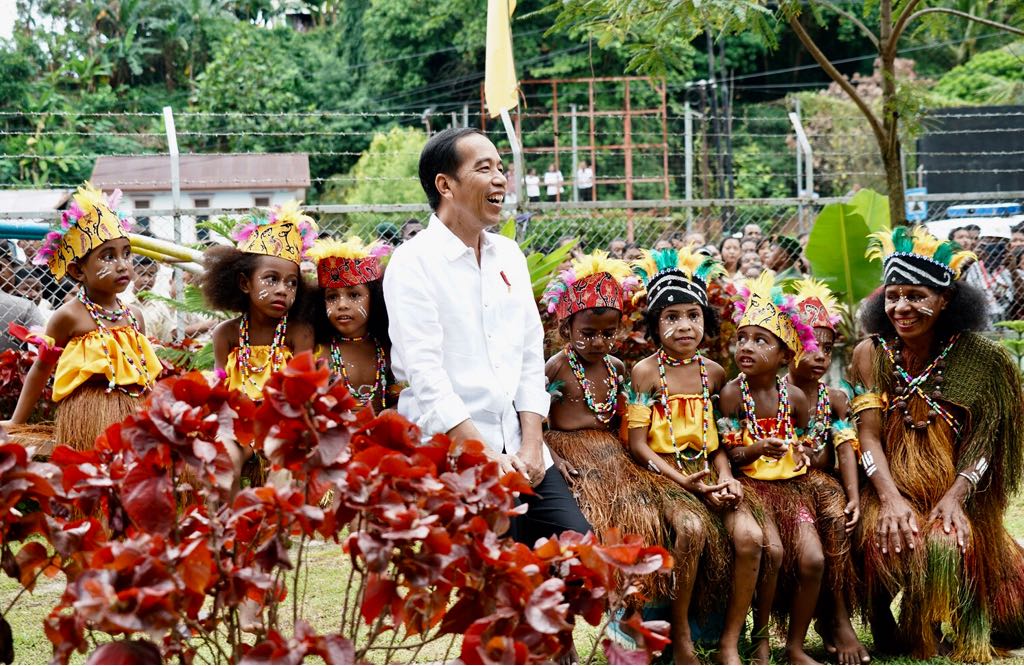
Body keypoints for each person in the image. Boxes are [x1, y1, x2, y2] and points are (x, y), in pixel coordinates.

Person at [384, 127, 591, 551]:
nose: (500, 179)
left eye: (501, 168)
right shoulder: (413, 262)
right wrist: (484, 455)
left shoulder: (508, 256)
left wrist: (532, 445)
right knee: (496, 576)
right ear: (446, 185)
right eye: (484, 168)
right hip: (453, 448)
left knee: (578, 554)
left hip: (520, 447)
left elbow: (531, 355)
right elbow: (425, 374)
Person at [851, 225, 1024, 661]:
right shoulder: (871, 354)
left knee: (949, 548)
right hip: (893, 487)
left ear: (946, 300)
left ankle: (939, 622)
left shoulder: (986, 361)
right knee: (883, 536)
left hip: (958, 494)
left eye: (916, 295)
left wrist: (955, 499)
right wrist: (889, 499)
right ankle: (882, 621)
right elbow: (867, 433)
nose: (901, 307)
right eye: (893, 295)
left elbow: (988, 443)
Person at [630, 247, 764, 664]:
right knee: (690, 529)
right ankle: (682, 631)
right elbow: (638, 444)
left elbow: (720, 442)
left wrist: (725, 477)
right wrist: (683, 481)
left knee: (752, 537)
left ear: (705, 321)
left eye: (693, 315)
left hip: (709, 470)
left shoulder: (716, 372)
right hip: (664, 475)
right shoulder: (646, 372)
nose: (684, 325)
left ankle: (729, 639)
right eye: (671, 318)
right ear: (655, 326)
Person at [720, 271, 850, 665]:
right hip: (753, 492)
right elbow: (729, 453)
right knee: (772, 552)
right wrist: (758, 447)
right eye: (742, 338)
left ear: (784, 356)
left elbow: (808, 440)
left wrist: (806, 450)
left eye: (761, 340)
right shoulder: (730, 394)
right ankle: (758, 641)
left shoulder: (793, 397)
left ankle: (794, 646)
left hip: (792, 490)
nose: (747, 347)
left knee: (814, 561)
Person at [4, 184, 161, 455]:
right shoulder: (68, 317)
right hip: (87, 422)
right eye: (108, 257)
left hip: (133, 419)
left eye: (126, 253)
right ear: (78, 271)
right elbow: (41, 369)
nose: (122, 264)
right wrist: (17, 421)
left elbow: (144, 374)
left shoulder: (134, 316)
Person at [787, 278, 869, 666]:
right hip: (779, 485)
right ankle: (823, 620)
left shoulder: (835, 398)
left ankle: (837, 618)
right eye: (811, 345)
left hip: (823, 483)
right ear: (789, 345)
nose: (820, 355)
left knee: (838, 519)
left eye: (828, 347)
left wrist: (853, 494)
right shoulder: (769, 392)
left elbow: (845, 448)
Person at [201, 200, 316, 401]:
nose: (283, 290)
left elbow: (301, 394)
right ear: (245, 283)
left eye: (292, 283)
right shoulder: (226, 334)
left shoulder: (299, 333)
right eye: (271, 279)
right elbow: (219, 391)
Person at [308, 236, 394, 414]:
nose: (342, 305)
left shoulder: (389, 348)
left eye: (354, 295)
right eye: (332, 297)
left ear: (375, 298)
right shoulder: (317, 351)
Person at [132, 257, 175, 343]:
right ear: (132, 276)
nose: (147, 280)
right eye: (142, 274)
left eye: (151, 274)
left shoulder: (161, 306)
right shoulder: (122, 303)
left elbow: (166, 339)